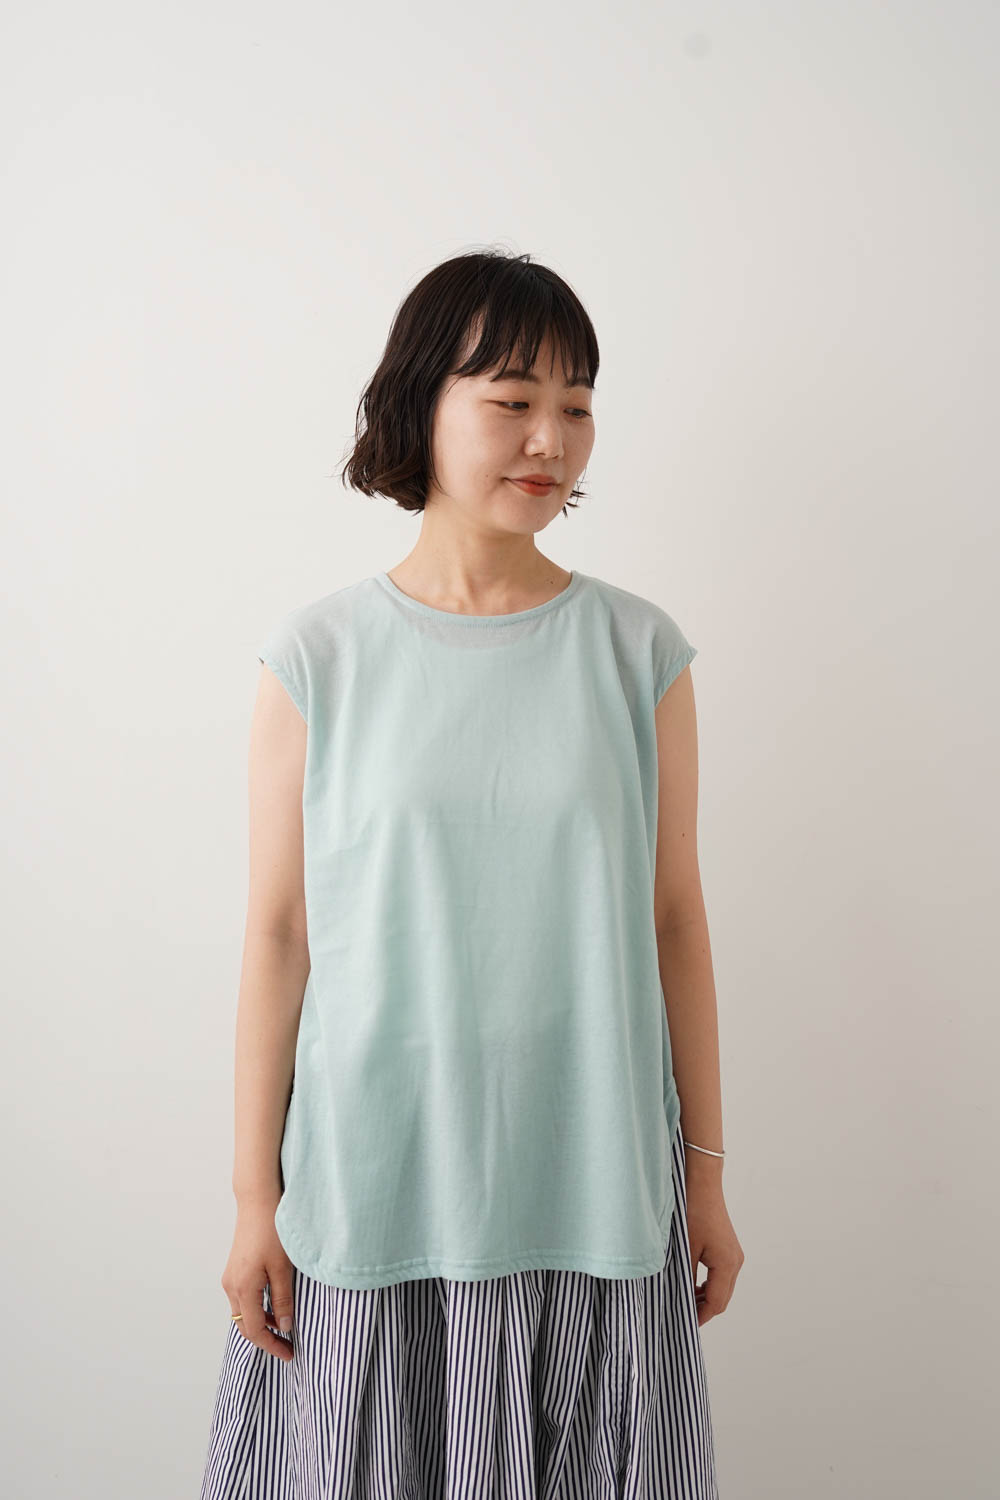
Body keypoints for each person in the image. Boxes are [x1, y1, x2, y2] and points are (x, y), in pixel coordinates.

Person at [200, 248, 743, 1500]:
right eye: (511, 400)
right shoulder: (319, 657)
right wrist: (250, 1200)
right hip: (376, 1188)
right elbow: (279, 937)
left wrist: (708, 1181)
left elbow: (673, 920)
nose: (550, 438)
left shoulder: (639, 654)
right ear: (420, 403)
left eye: (577, 404)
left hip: (593, 1187)